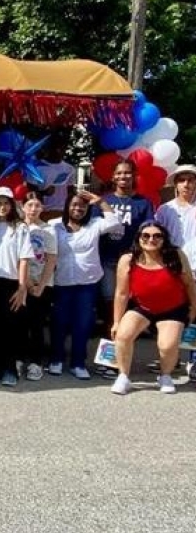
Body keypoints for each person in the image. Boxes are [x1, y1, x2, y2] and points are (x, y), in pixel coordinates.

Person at [111, 222, 196, 395]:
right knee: (123, 335)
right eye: (146, 235)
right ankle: (123, 376)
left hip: (173, 309)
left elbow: (189, 284)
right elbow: (121, 293)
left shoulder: (176, 255)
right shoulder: (128, 259)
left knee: (167, 345)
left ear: (164, 239)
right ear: (139, 238)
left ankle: (165, 376)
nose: (151, 239)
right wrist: (116, 321)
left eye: (157, 236)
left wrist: (194, 308)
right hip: (142, 307)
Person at [48, 191, 120, 379]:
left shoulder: (94, 224)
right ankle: (56, 359)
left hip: (87, 283)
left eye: (82, 206)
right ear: (67, 207)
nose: (78, 209)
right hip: (62, 282)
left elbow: (115, 223)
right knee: (59, 322)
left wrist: (101, 202)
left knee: (83, 324)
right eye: (74, 205)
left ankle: (78, 363)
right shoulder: (55, 225)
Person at [94, 159, 154, 375]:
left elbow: (148, 232)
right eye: (119, 173)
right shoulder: (103, 202)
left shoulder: (143, 203)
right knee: (110, 311)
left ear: (134, 176)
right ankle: (108, 360)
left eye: (127, 173)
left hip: (133, 262)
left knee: (130, 312)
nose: (123, 177)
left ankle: (123, 359)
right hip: (107, 261)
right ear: (112, 177)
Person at [0, 187, 33, 386]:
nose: (2, 207)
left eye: (6, 203)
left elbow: (24, 259)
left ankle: (10, 369)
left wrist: (21, 288)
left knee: (11, 327)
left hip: (11, 283)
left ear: (12, 205)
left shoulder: (20, 227)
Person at [21, 192, 57, 381]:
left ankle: (36, 363)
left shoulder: (48, 230)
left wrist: (41, 285)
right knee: (18, 323)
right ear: (23, 207)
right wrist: (26, 282)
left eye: (37, 205)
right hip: (20, 283)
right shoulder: (17, 228)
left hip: (42, 283)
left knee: (37, 324)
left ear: (42, 208)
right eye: (30, 205)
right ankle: (18, 359)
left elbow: (51, 259)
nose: (33, 209)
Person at [154, 164, 196, 247]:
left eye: (190, 180)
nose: (186, 184)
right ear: (176, 184)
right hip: (171, 257)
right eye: (181, 180)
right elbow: (157, 233)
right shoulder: (165, 209)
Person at [34, 134, 75, 218]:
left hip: (63, 213)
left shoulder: (70, 168)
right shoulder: (37, 168)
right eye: (56, 148)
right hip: (44, 213)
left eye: (62, 148)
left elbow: (71, 192)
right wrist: (44, 192)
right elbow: (30, 192)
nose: (59, 151)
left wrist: (70, 211)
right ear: (48, 149)